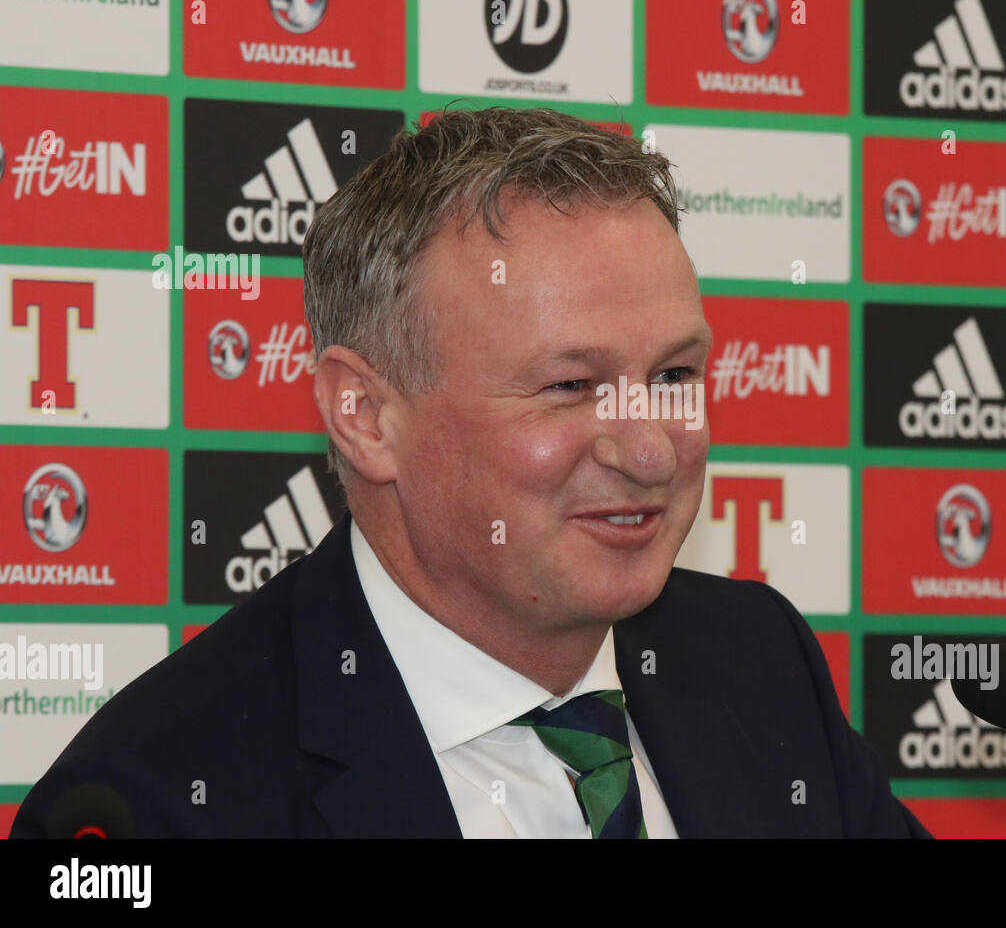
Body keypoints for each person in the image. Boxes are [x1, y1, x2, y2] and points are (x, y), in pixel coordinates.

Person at [12, 107, 929, 838]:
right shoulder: (156, 799)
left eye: (675, 377)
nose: (651, 450)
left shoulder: (755, 663)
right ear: (365, 417)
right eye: (571, 386)